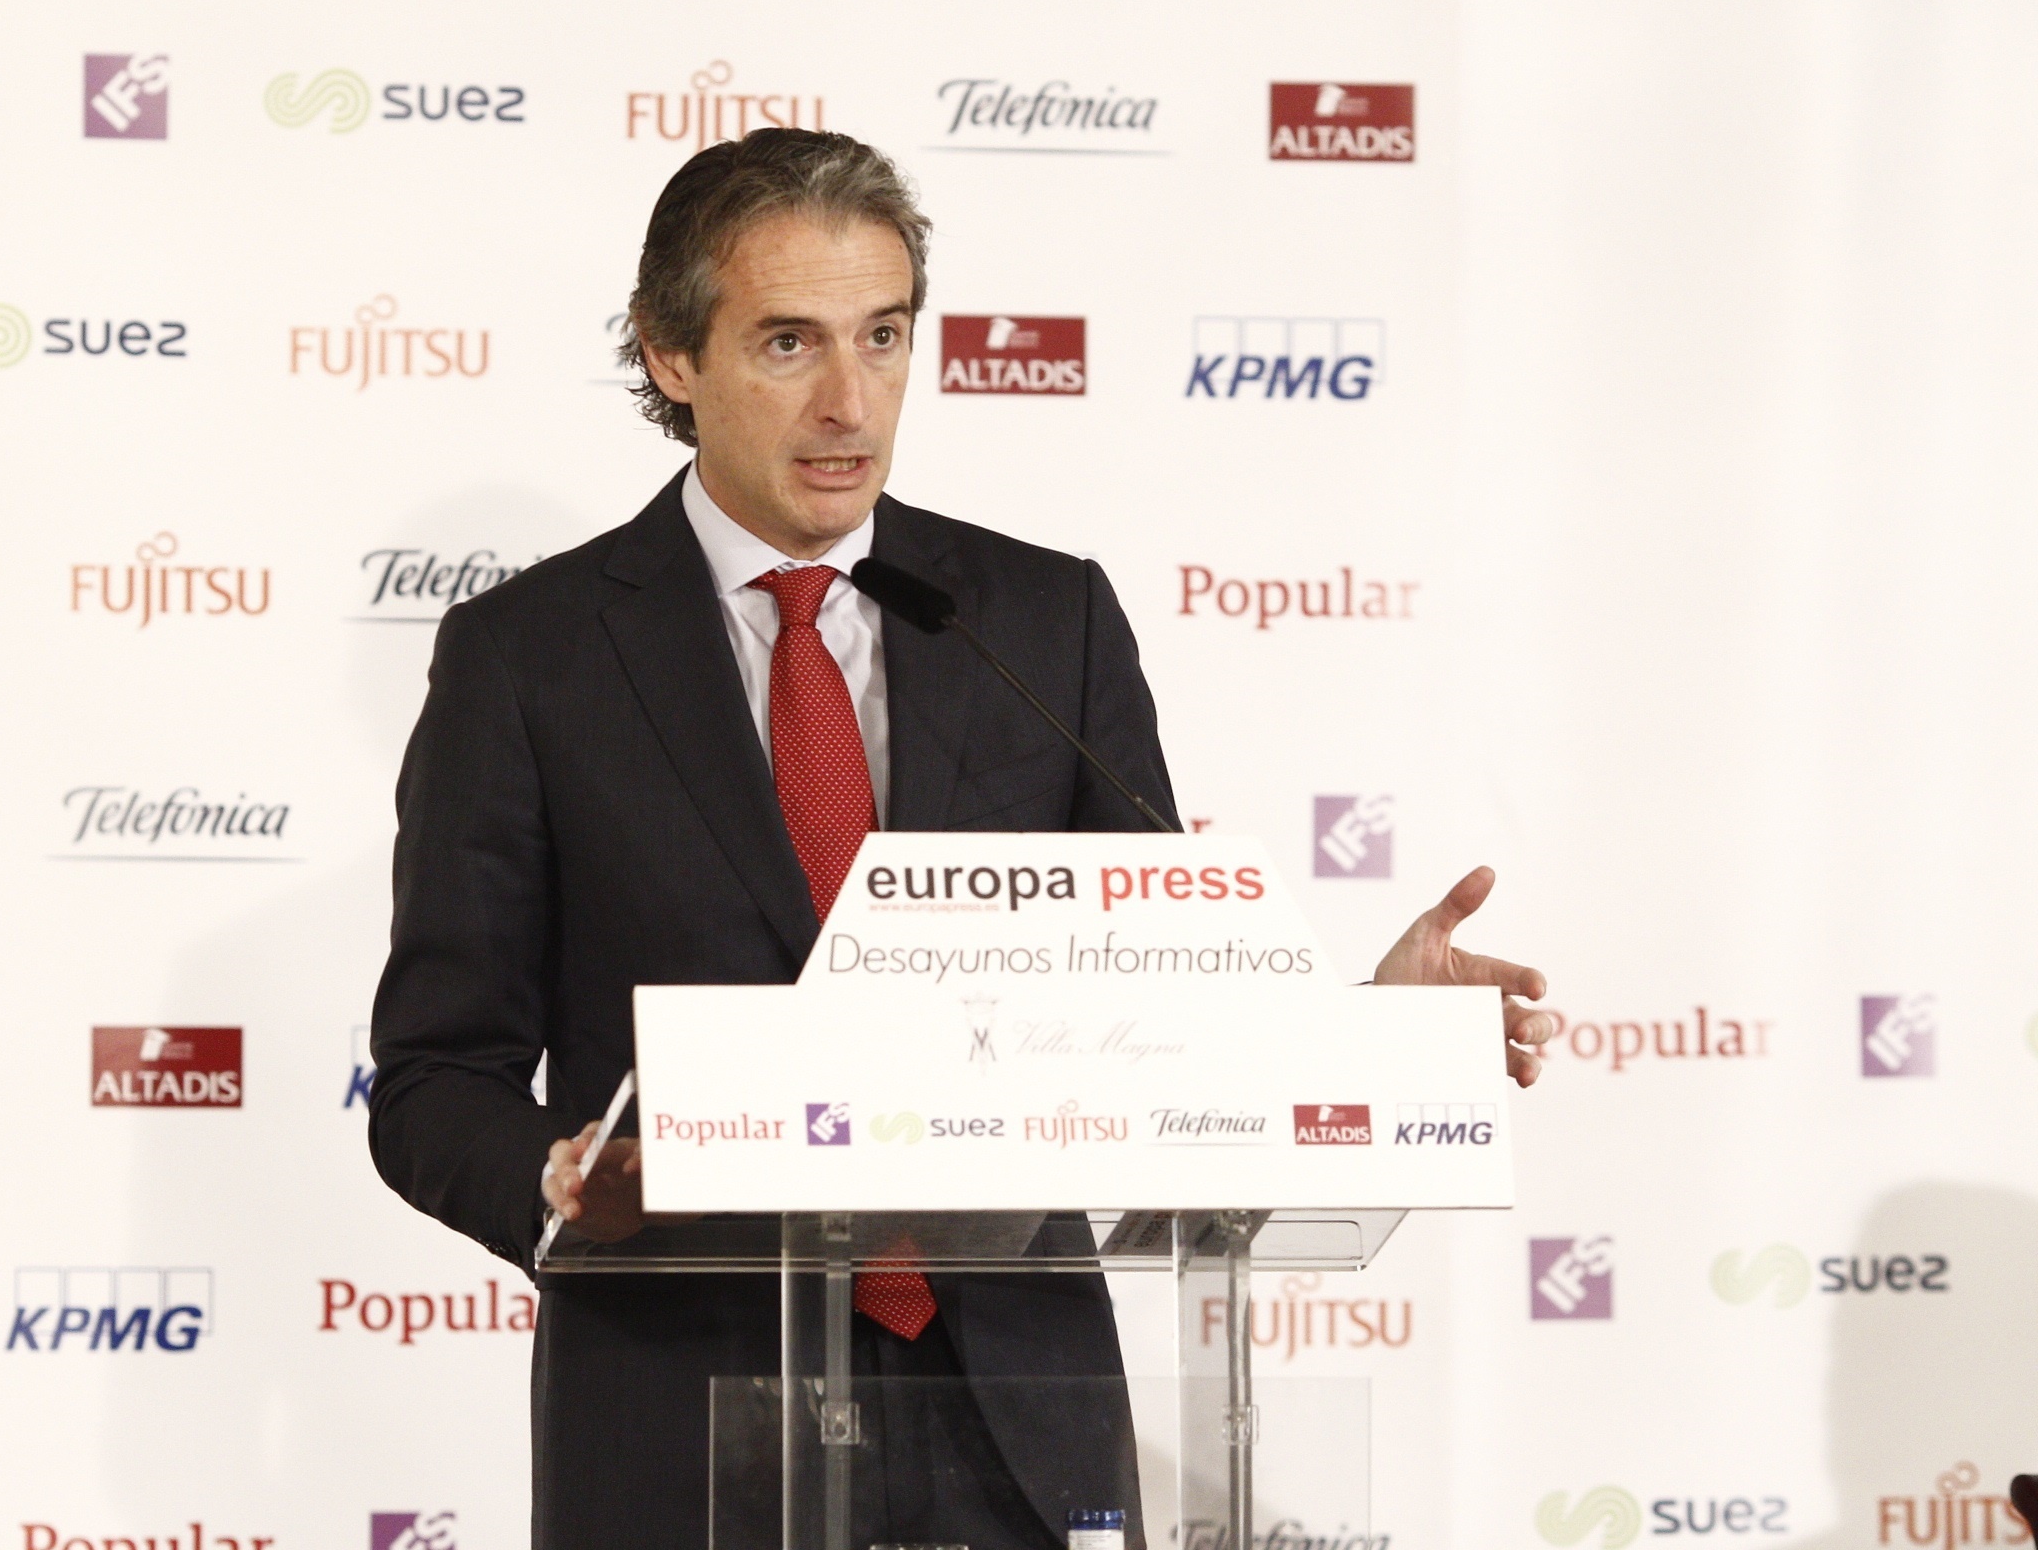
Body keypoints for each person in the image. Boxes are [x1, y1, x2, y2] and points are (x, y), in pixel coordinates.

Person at [367, 128, 1554, 1550]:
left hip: (1017, 1421)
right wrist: (560, 1180)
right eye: (790, 343)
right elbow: (435, 1078)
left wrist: (1370, 1035)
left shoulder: (1042, 624)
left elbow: (1161, 1008)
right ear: (672, 355)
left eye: (883, 337)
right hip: (684, 1418)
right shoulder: (530, 658)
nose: (849, 403)